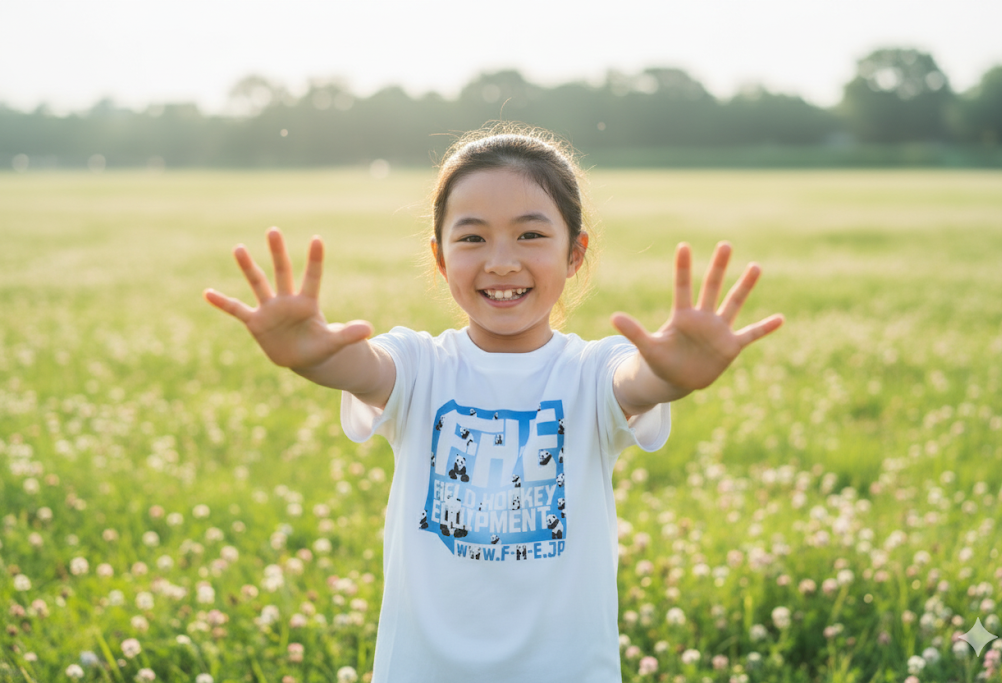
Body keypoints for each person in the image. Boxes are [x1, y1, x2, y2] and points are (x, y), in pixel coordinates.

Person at [204, 126, 783, 683]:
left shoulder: (589, 371)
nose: (501, 261)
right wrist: (306, 356)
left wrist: (670, 372)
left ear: (575, 253)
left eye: (531, 235)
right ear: (439, 256)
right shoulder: (419, 365)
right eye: (472, 237)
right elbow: (358, 367)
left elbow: (635, 383)